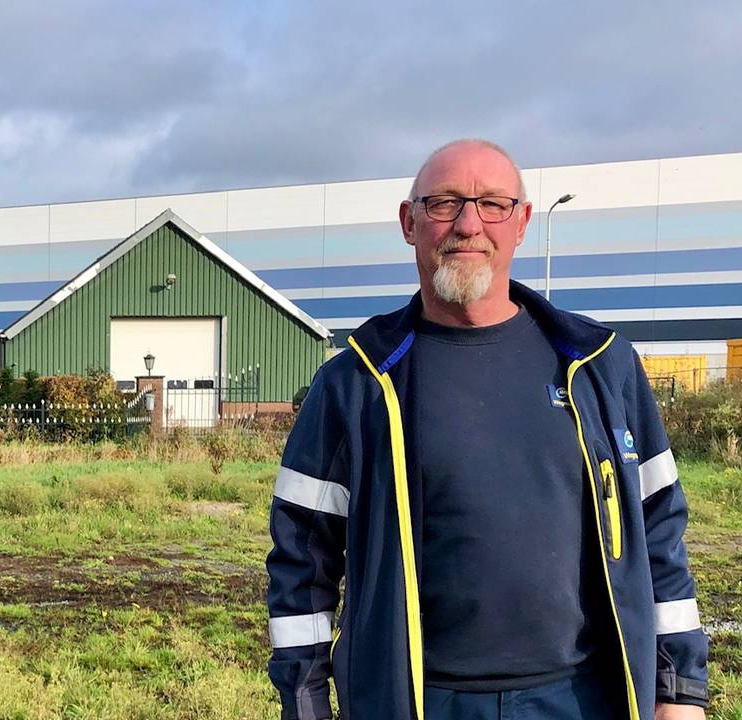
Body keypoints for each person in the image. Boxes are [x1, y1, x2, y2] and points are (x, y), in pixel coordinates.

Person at [266, 139, 709, 720]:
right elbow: (303, 557)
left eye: (493, 204)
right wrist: (305, 704)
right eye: (444, 203)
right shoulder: (356, 383)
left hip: (582, 698)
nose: (469, 224)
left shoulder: (601, 365)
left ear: (521, 223)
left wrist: (678, 694)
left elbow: (659, 535)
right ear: (409, 222)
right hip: (416, 700)